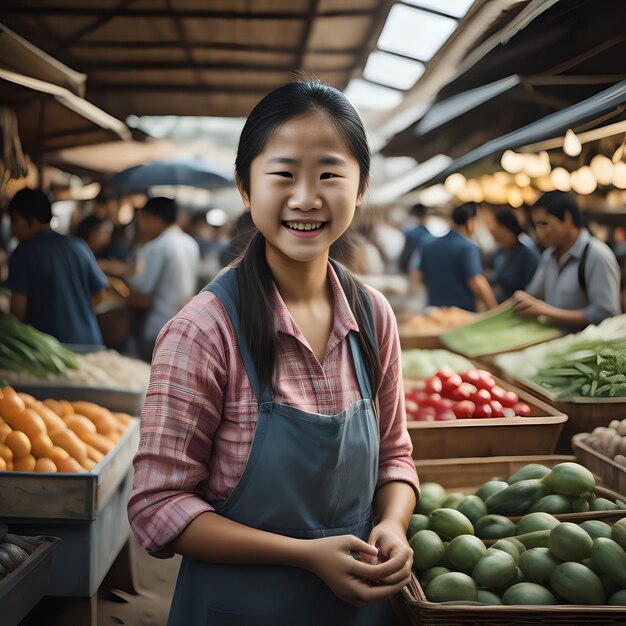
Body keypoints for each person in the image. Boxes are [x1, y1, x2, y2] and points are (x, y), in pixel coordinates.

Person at [128, 80, 418, 626]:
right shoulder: (203, 332)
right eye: (282, 174)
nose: (306, 198)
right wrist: (305, 556)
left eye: (330, 174)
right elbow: (157, 508)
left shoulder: (374, 316)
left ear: (360, 188)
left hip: (358, 611)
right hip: (235, 610)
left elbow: (395, 457)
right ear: (245, 186)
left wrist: (394, 523)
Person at [5, 188, 107, 345]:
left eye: (14, 221)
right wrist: (74, 317)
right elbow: (100, 294)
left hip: (53, 352)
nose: (12, 229)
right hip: (90, 343)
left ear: (27, 219)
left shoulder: (23, 254)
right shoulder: (78, 246)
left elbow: (17, 313)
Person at [512, 191, 621, 330]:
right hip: (555, 343)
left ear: (567, 218)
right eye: (536, 226)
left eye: (544, 224)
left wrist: (545, 311)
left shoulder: (597, 256)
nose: (539, 233)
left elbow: (605, 313)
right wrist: (522, 299)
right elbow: (534, 294)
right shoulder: (549, 256)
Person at [124, 196, 199, 361]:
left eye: (143, 219)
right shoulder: (190, 243)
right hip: (184, 325)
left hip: (158, 326)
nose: (142, 226)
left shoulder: (158, 246)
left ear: (153, 218)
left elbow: (142, 289)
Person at [416, 202, 497, 312]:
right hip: (462, 313)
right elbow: (476, 281)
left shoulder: (428, 245)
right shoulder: (468, 247)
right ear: (469, 222)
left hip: (434, 312)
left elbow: (418, 277)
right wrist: (494, 310)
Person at [488, 208, 540, 302]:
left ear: (504, 228)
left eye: (494, 224)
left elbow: (533, 291)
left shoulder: (527, 254)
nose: (491, 229)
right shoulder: (498, 252)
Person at [399, 203, 434, 274]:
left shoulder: (409, 233)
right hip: (420, 272)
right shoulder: (427, 235)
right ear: (426, 216)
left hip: (407, 271)